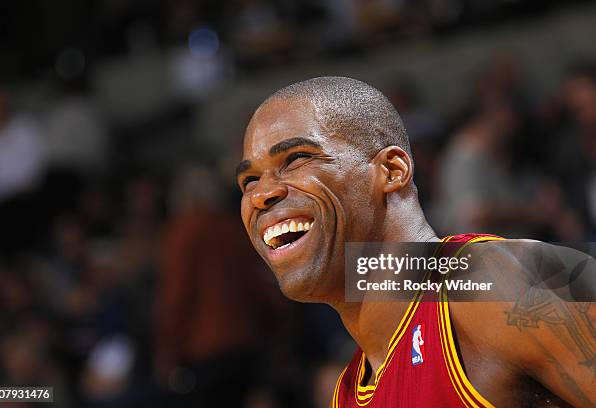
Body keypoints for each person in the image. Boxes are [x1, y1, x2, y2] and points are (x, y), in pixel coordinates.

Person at [236, 77, 595, 407]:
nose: (261, 194)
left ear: (392, 171)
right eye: (248, 181)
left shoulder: (491, 284)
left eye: (296, 158)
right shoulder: (347, 392)